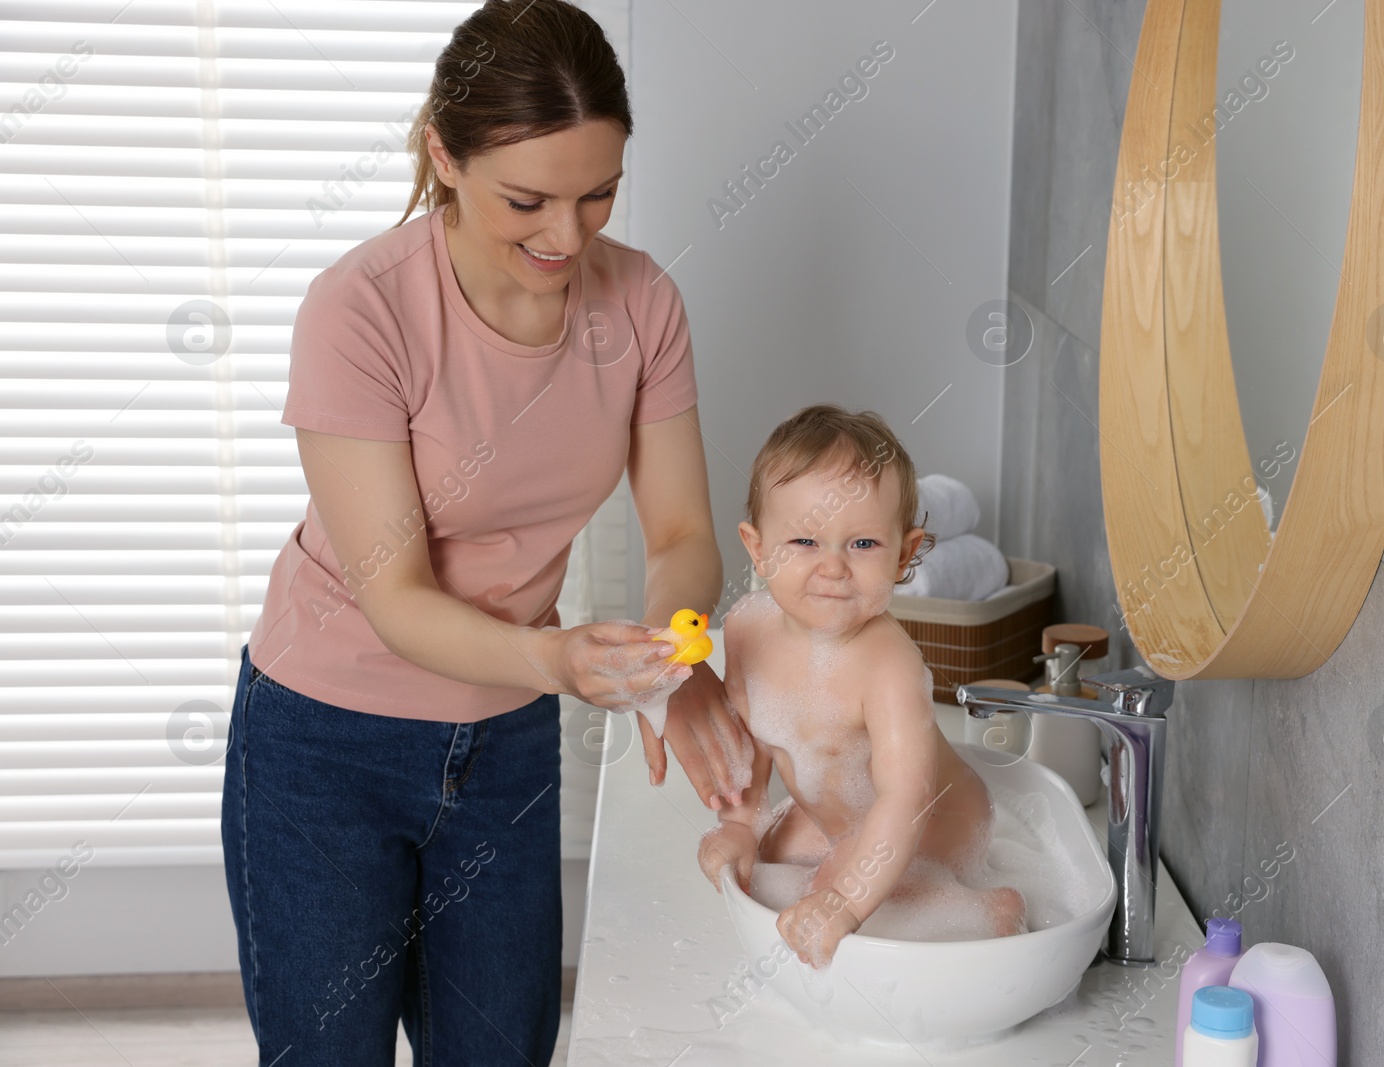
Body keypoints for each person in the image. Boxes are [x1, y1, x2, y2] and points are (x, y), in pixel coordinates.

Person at [221, 3, 750, 1063]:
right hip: (326, 742)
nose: (567, 235)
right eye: (527, 201)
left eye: (597, 193)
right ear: (443, 158)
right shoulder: (360, 310)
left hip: (505, 742)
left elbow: (685, 530)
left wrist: (669, 652)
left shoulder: (641, 303)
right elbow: (396, 593)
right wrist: (555, 657)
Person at [696, 404, 1027, 969]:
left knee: (834, 891)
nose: (833, 567)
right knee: (770, 864)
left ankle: (993, 910)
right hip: (842, 815)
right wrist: (741, 823)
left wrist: (844, 902)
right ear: (756, 548)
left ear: (903, 554)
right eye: (804, 542)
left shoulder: (888, 664)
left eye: (863, 545)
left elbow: (906, 798)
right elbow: (752, 742)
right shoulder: (748, 629)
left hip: (933, 827)